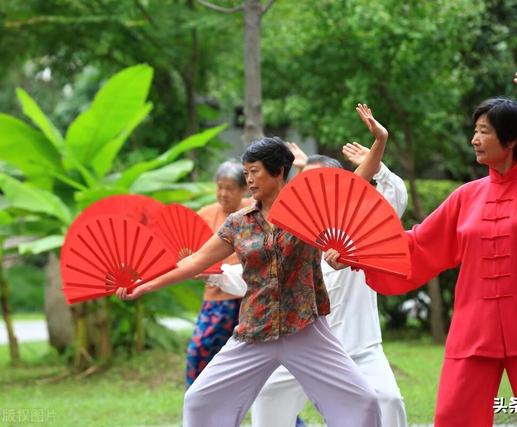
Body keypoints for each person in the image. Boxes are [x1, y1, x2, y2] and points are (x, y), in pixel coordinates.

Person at [343, 68, 517, 426]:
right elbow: (418, 246)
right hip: (474, 330)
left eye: (484, 131)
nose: (474, 139)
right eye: (475, 131)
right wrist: (358, 252)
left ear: (510, 141)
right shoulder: (466, 196)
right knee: (454, 418)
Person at [117, 106, 387, 427]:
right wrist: (145, 284)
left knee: (364, 401)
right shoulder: (238, 223)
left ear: (278, 173)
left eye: (254, 171)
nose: (248, 179)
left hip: (305, 328)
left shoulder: (309, 211)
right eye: (246, 172)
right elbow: (196, 261)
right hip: (255, 332)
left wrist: (380, 139)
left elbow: (357, 182)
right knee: (199, 400)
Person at [251, 139, 409, 427]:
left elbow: (393, 200)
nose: (315, 191)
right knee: (267, 394)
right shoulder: (291, 230)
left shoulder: (362, 225)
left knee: (388, 400)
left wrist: (378, 166)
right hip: (307, 348)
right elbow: (259, 277)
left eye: (323, 182)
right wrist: (218, 273)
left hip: (360, 347)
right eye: (307, 182)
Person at [185, 160, 252, 388]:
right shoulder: (205, 214)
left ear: (243, 190)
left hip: (252, 298)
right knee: (199, 352)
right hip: (217, 298)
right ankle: (196, 408)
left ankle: (291, 421)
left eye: (230, 188)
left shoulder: (255, 208)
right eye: (219, 187)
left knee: (262, 363)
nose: (223, 194)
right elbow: (189, 251)